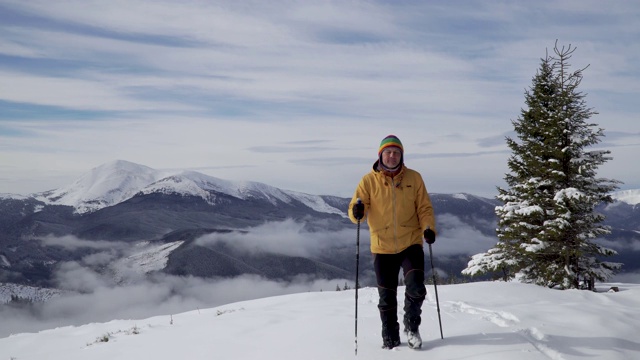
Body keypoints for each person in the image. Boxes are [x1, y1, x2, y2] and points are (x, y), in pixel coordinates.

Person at [348, 134, 437, 350]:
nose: (392, 155)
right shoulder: (368, 181)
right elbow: (356, 207)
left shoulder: (414, 178)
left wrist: (428, 228)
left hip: (411, 242)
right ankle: (390, 338)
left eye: (396, 152)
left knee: (416, 287)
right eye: (388, 152)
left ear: (402, 155)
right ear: (380, 155)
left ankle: (411, 326)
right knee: (386, 298)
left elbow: (424, 208)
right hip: (382, 245)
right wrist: (357, 212)